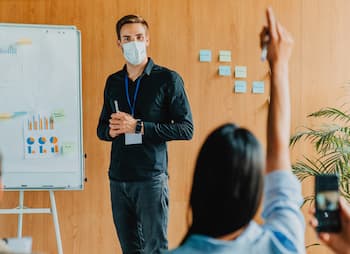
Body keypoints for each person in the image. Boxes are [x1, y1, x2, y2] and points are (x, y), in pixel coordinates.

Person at [166, 7, 305, 254]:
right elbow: (280, 154)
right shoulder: (282, 243)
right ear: (255, 193)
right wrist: (279, 66)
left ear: (197, 188)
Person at [97, 14, 193, 253]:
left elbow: (186, 128)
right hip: (118, 178)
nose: (133, 43)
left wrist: (138, 127)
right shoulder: (113, 82)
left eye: (139, 37)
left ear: (148, 39)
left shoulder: (167, 79)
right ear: (118, 43)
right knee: (130, 249)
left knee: (155, 248)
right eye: (127, 39)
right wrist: (111, 130)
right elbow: (101, 129)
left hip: (151, 179)